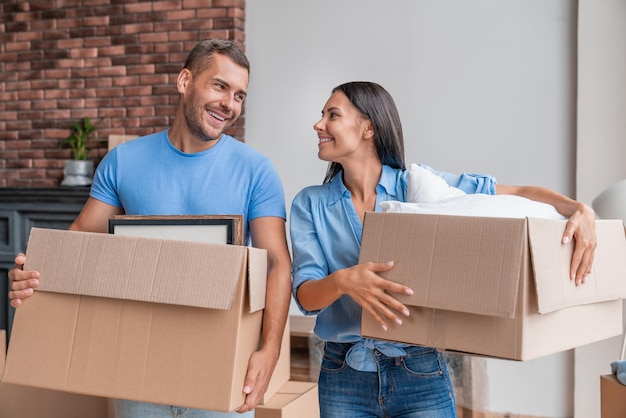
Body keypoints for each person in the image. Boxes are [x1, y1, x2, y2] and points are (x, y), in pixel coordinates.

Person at [8, 38, 292, 418]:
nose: (230, 104)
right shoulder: (123, 162)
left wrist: (269, 351)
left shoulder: (257, 171)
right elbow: (79, 241)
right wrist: (32, 274)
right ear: (185, 81)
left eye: (240, 95)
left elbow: (277, 263)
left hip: (223, 365)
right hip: (137, 364)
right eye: (220, 86)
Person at [289, 81, 597, 418]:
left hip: (419, 371)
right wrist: (345, 281)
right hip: (343, 376)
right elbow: (306, 297)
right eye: (322, 115)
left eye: (332, 115)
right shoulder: (309, 204)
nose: (318, 124)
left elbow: (512, 191)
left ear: (368, 128)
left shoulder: (417, 186)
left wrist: (580, 209)